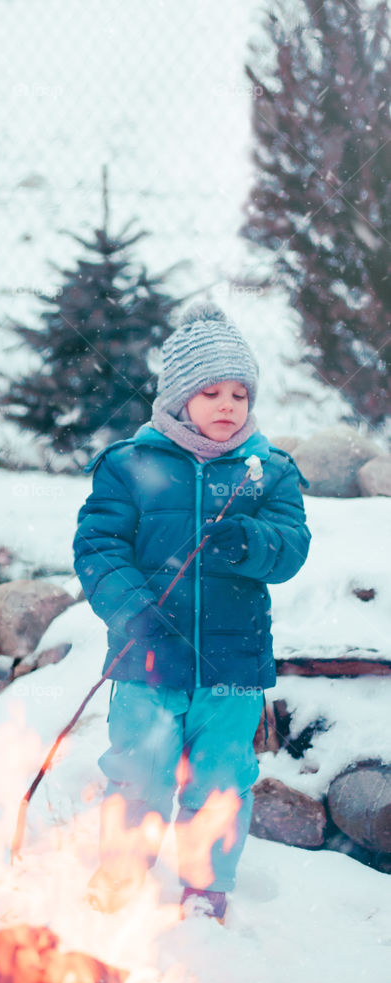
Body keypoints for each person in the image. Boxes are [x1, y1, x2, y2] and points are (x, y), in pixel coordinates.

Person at [73, 302, 310, 921]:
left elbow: (290, 548)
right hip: (146, 657)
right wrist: (133, 612)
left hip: (233, 665)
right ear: (178, 398)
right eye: (211, 391)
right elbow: (98, 548)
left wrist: (250, 541)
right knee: (139, 772)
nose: (228, 404)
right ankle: (122, 873)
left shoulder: (269, 471)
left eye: (239, 392)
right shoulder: (130, 465)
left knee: (221, 779)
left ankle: (206, 887)